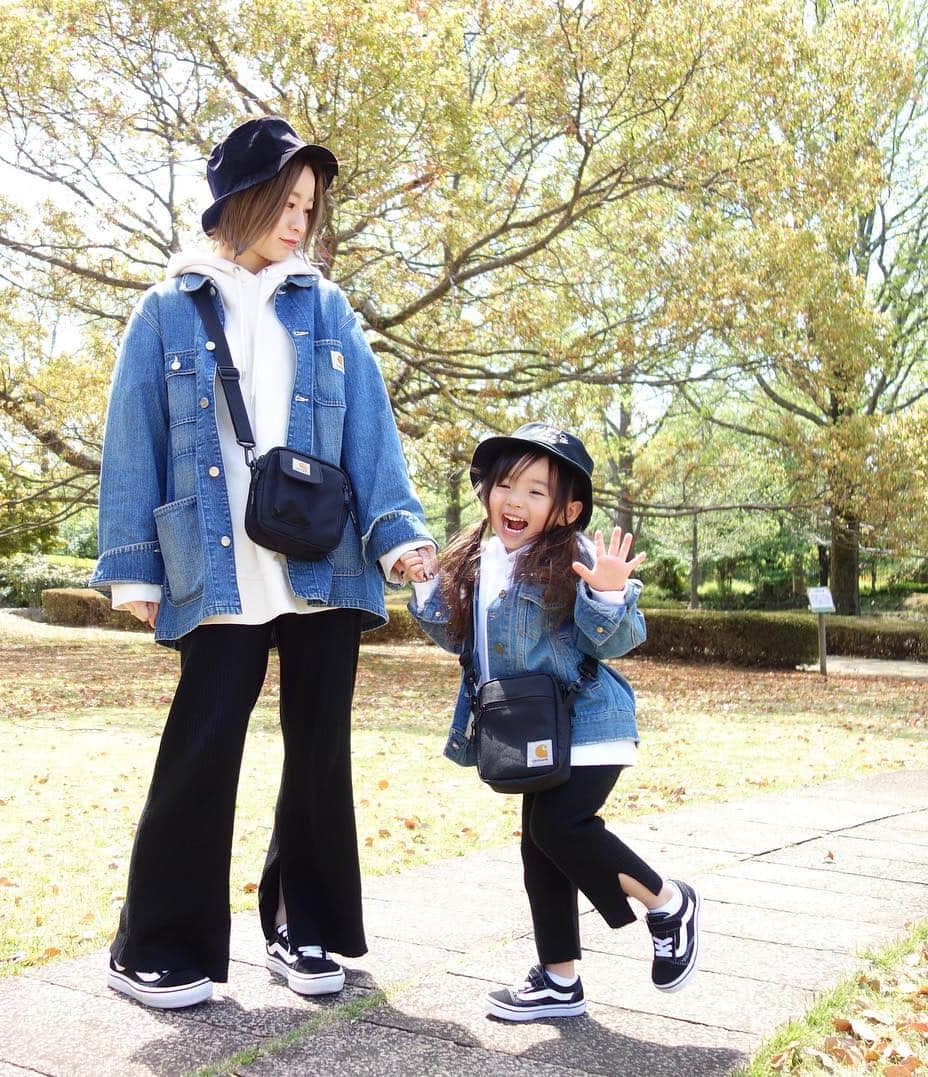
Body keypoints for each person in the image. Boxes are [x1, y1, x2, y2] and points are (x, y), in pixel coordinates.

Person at [90, 116, 438, 1009]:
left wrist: (397, 530)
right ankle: (157, 941)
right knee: (202, 747)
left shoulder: (324, 304)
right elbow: (134, 433)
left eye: (309, 207)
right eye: (286, 203)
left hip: (322, 560)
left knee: (319, 751)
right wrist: (134, 567)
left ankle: (304, 924)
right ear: (238, 202)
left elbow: (371, 422)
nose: (300, 222)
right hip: (217, 563)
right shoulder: (168, 307)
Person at [408, 422, 699, 1021]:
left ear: (567, 509)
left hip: (589, 721)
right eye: (506, 485)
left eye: (537, 491)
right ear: (486, 491)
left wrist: (611, 595)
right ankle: (559, 982)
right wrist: (428, 586)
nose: (515, 501)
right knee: (539, 848)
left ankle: (668, 902)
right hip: (527, 732)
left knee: (561, 831)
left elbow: (618, 640)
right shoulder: (478, 559)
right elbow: (460, 638)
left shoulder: (576, 557)